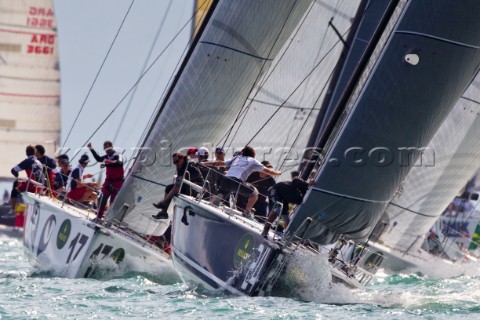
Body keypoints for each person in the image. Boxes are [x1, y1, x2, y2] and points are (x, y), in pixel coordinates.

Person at [203, 146, 281, 215]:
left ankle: (217, 200)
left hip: (225, 179)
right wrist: (277, 173)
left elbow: (219, 163)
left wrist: (204, 163)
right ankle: (247, 212)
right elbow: (268, 171)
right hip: (236, 181)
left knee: (223, 193)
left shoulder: (236, 158)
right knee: (254, 193)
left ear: (243, 153)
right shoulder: (253, 161)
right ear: (253, 155)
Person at [152, 152, 204, 219]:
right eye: (174, 163)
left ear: (182, 158)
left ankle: (163, 203)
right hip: (187, 185)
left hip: (196, 188)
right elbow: (178, 183)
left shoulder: (189, 164)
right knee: (168, 188)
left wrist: (164, 201)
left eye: (177, 161)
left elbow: (177, 187)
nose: (176, 164)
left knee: (176, 187)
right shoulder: (179, 166)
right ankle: (164, 212)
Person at [87, 141, 124, 220]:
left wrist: (107, 164)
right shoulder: (106, 157)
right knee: (102, 199)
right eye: (105, 148)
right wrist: (91, 149)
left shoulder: (118, 155)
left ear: (111, 147)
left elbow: (119, 163)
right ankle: (98, 217)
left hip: (117, 182)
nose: (106, 150)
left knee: (113, 202)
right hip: (108, 181)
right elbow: (98, 158)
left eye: (108, 148)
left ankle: (109, 220)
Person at [9, 145, 44, 213]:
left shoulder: (27, 161)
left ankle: (12, 210)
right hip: (41, 186)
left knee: (15, 189)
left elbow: (13, 170)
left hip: (32, 185)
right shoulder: (39, 162)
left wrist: (17, 175)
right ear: (34, 153)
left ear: (26, 153)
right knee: (20, 183)